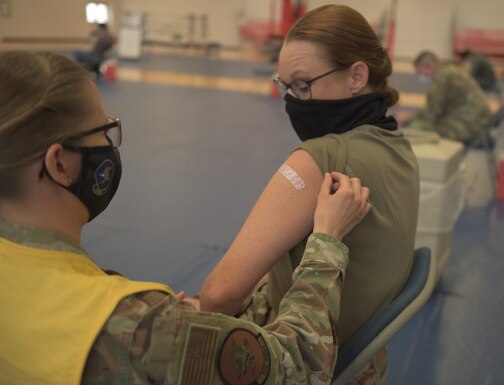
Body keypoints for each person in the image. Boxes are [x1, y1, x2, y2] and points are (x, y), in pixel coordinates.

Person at [0, 50, 372, 384]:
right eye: (103, 131)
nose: (110, 146)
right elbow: (301, 366)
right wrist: (327, 240)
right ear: (59, 163)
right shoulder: (138, 327)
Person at [200, 4, 420, 383]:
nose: (292, 102)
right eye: (284, 86)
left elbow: (219, 296)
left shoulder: (318, 162)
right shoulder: (401, 150)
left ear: (356, 75)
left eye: (303, 85)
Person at [397, 50, 492, 145]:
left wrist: (409, 120)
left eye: (419, 71)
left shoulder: (441, 78)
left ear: (428, 66)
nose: (419, 75)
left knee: (417, 128)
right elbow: (435, 108)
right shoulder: (448, 70)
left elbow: (432, 114)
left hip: (471, 123)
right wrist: (411, 117)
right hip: (478, 119)